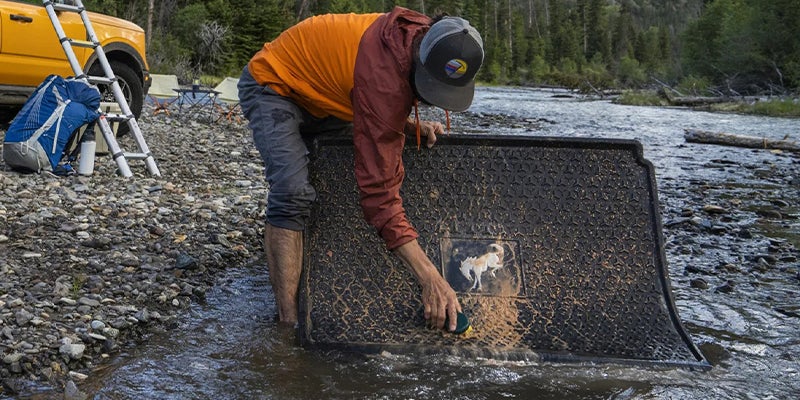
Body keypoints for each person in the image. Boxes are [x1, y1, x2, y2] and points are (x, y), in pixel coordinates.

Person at [238, 6, 484, 332]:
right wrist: (430, 278)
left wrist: (404, 125)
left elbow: (375, 95)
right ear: (420, 57)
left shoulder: (431, 36)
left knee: (342, 178)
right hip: (274, 85)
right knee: (292, 192)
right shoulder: (383, 80)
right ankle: (288, 325)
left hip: (330, 96)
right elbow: (379, 197)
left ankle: (308, 269)